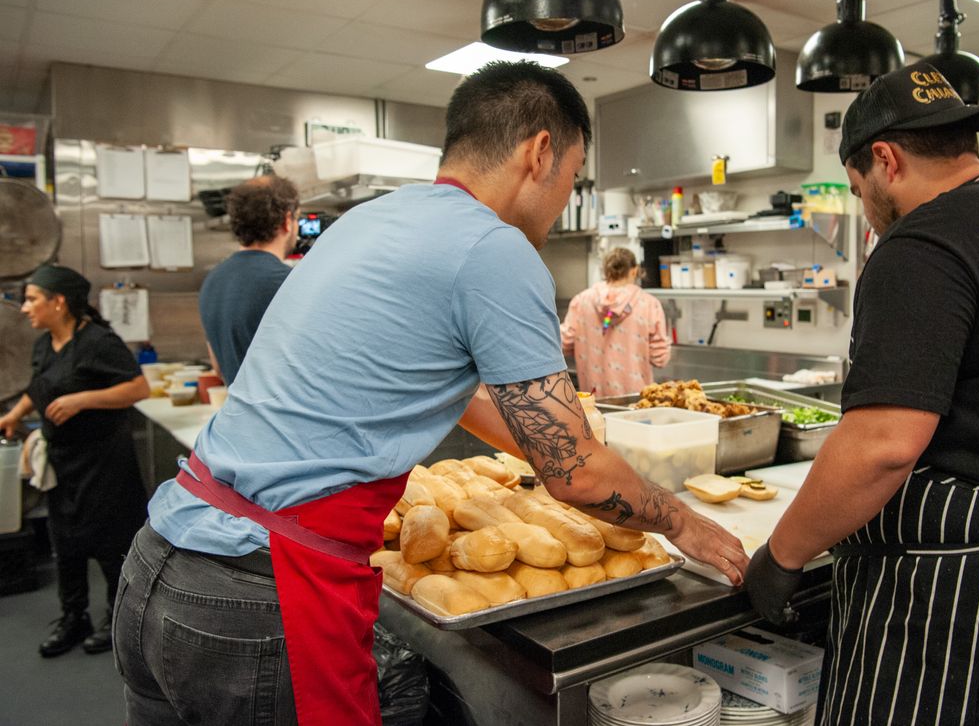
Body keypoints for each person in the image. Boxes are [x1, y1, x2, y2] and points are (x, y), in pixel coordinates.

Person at [113, 61, 749, 726]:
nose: (566, 195)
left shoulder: (371, 220)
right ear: (539, 152)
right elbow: (574, 473)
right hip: (262, 592)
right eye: (573, 170)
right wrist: (680, 521)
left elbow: (468, 403)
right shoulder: (492, 248)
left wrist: (572, 447)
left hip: (161, 562)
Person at [743, 62, 979, 725]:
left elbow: (882, 446)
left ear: (885, 160)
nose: (868, 213)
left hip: (966, 609)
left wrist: (782, 556)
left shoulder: (926, 243)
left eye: (859, 191)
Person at [0, 264, 149, 657]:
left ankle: (118, 618)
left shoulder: (98, 342)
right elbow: (42, 386)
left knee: (109, 541)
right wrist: (16, 415)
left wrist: (82, 399)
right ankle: (73, 617)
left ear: (58, 301)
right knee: (65, 542)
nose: (26, 308)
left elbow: (138, 387)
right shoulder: (43, 344)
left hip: (103, 462)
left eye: (32, 299)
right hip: (64, 463)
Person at [198, 174, 298, 385]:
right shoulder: (289, 284)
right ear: (287, 221)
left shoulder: (213, 281)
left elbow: (217, 367)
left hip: (241, 414)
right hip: (285, 416)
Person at [561, 247, 671, 396]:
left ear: (606, 271)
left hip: (593, 398)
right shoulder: (649, 304)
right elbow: (660, 358)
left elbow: (564, 343)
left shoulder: (581, 301)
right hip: (635, 400)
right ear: (634, 271)